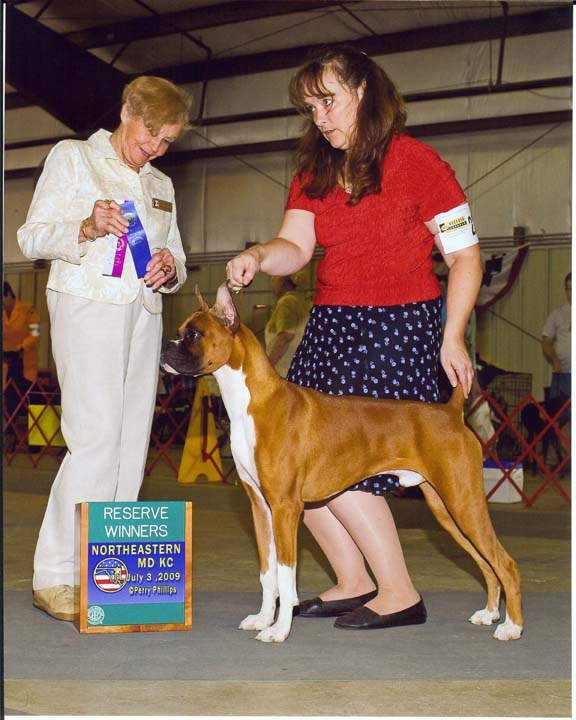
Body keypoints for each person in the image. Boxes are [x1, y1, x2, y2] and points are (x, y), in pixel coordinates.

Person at [226, 46, 482, 630]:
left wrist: (455, 335)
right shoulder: (313, 171)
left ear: (363, 91)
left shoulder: (419, 163)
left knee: (343, 467)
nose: (319, 117)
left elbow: (465, 257)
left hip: (396, 328)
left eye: (328, 102)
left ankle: (399, 594)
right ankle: (353, 580)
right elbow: (296, 246)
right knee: (289, 470)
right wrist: (260, 255)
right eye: (310, 107)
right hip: (332, 328)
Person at [17, 75, 192, 621]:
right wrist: (87, 227)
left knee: (131, 444)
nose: (155, 149)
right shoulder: (72, 158)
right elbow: (31, 237)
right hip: (87, 303)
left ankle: (108, 573)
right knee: (93, 440)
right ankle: (57, 575)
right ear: (126, 112)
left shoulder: (161, 182)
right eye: (150, 135)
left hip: (143, 312)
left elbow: (179, 259)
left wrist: (171, 269)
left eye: (167, 141)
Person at [3, 281, 41, 451]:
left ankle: (34, 442)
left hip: (25, 363)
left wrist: (21, 347)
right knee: (8, 403)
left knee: (26, 403)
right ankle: (8, 442)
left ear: (9, 295)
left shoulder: (29, 309)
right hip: (6, 364)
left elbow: (35, 334)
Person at [265, 272, 311, 377]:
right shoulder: (300, 301)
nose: (272, 283)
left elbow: (285, 336)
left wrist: (267, 366)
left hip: (283, 369)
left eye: (273, 279)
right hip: (297, 366)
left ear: (282, 282)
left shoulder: (286, 302)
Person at [542, 272, 571, 400]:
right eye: (568, 289)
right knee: (559, 415)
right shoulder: (557, 314)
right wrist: (554, 359)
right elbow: (546, 341)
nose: (571, 294)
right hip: (563, 375)